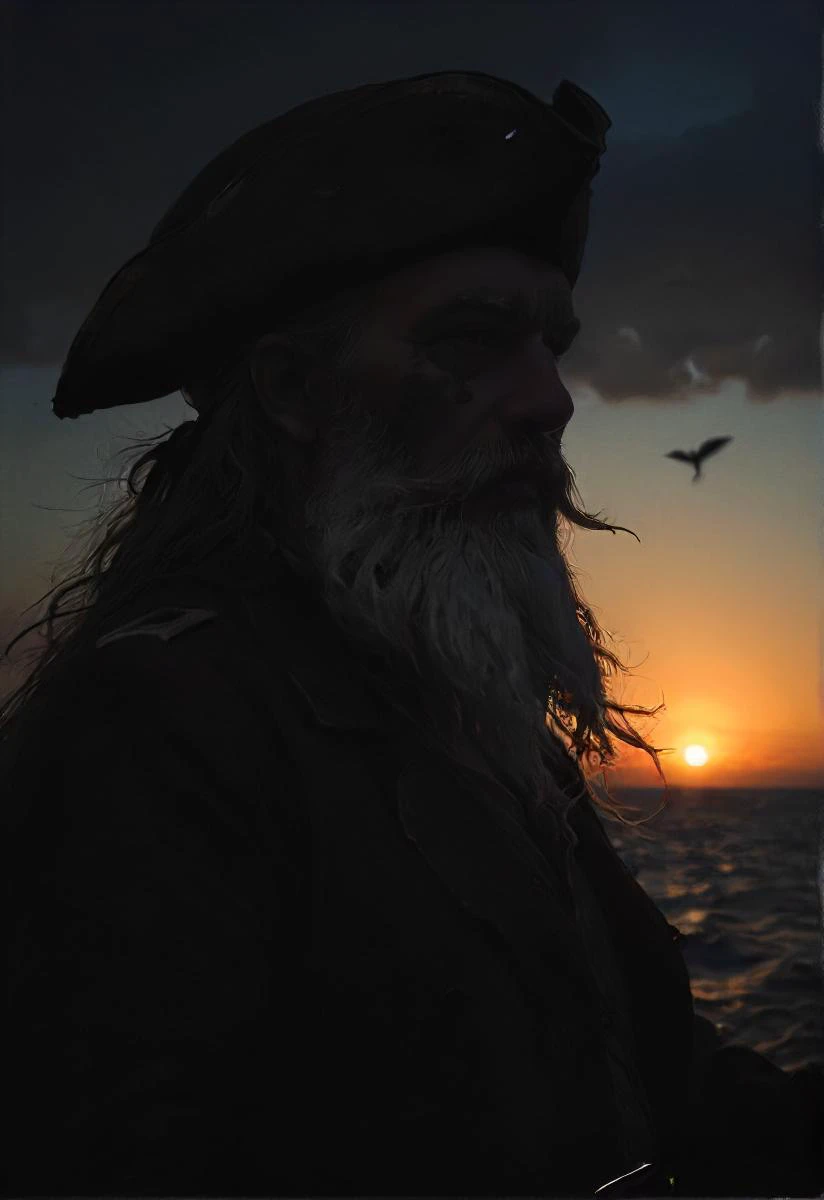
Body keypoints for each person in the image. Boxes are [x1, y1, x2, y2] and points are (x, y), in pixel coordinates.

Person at [3, 70, 821, 1198]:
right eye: (471, 340)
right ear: (293, 388)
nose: (550, 401)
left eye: (550, 343)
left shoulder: (473, 722)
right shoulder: (154, 729)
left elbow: (656, 1097)